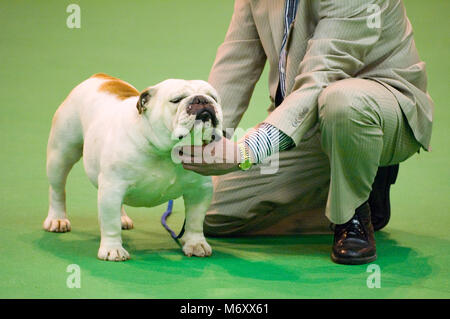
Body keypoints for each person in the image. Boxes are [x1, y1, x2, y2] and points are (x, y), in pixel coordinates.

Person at [180, 0, 433, 265]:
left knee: (342, 101)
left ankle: (352, 211)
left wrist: (244, 152)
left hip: (381, 112)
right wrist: (205, 138)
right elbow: (236, 62)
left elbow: (322, 77)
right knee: (211, 214)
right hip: (306, 121)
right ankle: (351, 180)